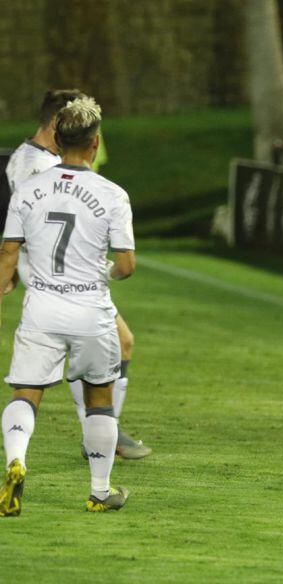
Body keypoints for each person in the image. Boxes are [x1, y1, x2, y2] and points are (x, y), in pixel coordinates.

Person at [0, 97, 134, 515]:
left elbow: (8, 249)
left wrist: (6, 279)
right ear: (94, 145)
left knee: (26, 391)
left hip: (42, 307)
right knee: (99, 399)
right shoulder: (113, 194)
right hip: (90, 310)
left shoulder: (28, 189)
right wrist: (106, 271)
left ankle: (16, 460)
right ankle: (99, 492)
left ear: (57, 139)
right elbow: (126, 266)